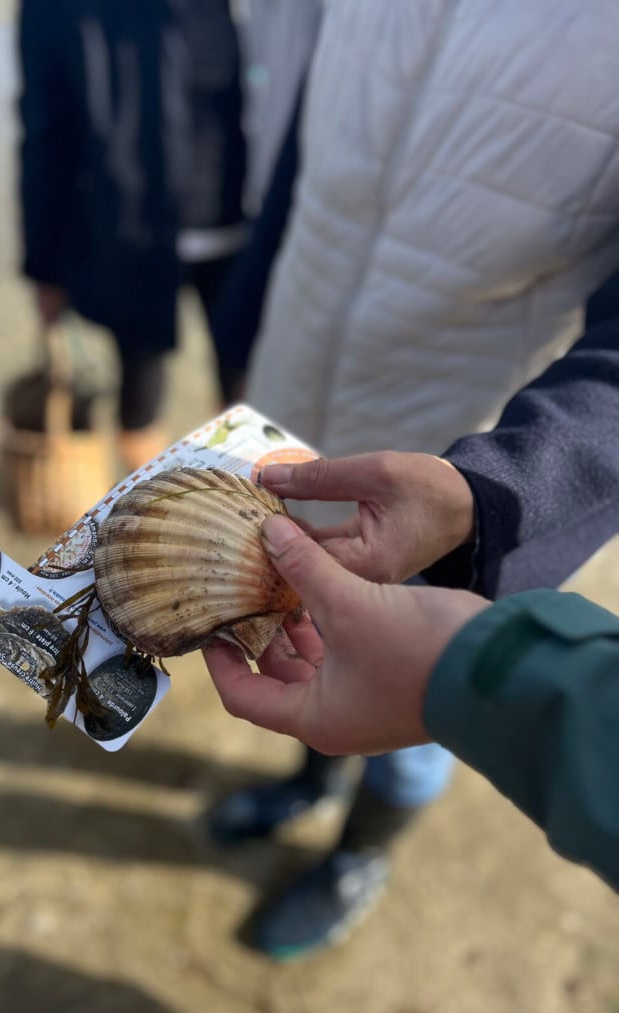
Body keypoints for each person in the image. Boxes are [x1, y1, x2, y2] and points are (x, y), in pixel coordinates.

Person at [207, 0, 619, 958]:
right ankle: (310, 784)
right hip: (288, 412)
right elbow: (300, 176)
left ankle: (361, 852)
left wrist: (497, 496)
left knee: (422, 694)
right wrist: (236, 356)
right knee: (295, 638)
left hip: (460, 465)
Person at [202, 521, 619, 891]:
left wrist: (464, 670)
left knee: (409, 752)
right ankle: (314, 786)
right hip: (362, 516)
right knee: (320, 670)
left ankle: (356, 859)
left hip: (498, 569)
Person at [17, 0, 247, 472]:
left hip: (241, 231)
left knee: (248, 394)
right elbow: (45, 132)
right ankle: (151, 524)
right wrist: (43, 267)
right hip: (125, 233)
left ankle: (242, 520)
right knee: (142, 390)